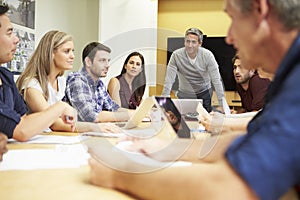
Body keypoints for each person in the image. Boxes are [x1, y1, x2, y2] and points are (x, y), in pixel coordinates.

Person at [88, 0, 300, 199]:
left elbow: (229, 188)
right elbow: (250, 138)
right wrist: (165, 148)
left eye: (232, 19)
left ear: (259, 10)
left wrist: (120, 173)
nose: (229, 37)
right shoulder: (289, 76)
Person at [16, 31, 121, 133]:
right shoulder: (32, 85)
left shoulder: (61, 82)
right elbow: (54, 123)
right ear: (51, 53)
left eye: (72, 51)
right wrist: (95, 127)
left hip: (54, 137)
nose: (72, 56)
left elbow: (69, 119)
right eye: (67, 51)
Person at [0, 4, 76, 142]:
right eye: (9, 33)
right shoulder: (31, 85)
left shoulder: (5, 76)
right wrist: (61, 107)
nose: (16, 39)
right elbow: (21, 130)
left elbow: (23, 119)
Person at [65, 42, 134, 122]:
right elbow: (90, 116)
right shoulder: (77, 80)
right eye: (102, 60)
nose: (108, 65)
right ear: (88, 62)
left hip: (93, 132)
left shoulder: (99, 84)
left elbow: (113, 108)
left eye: (108, 61)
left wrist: (136, 113)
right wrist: (128, 115)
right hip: (78, 133)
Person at [161, 27, 225, 112]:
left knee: (204, 120)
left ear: (200, 43)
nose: (190, 45)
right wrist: (163, 102)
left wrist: (222, 104)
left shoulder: (208, 56)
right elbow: (169, 80)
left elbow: (216, 80)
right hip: (184, 93)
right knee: (182, 120)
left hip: (204, 93)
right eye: (188, 41)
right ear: (184, 42)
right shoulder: (176, 55)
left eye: (194, 42)